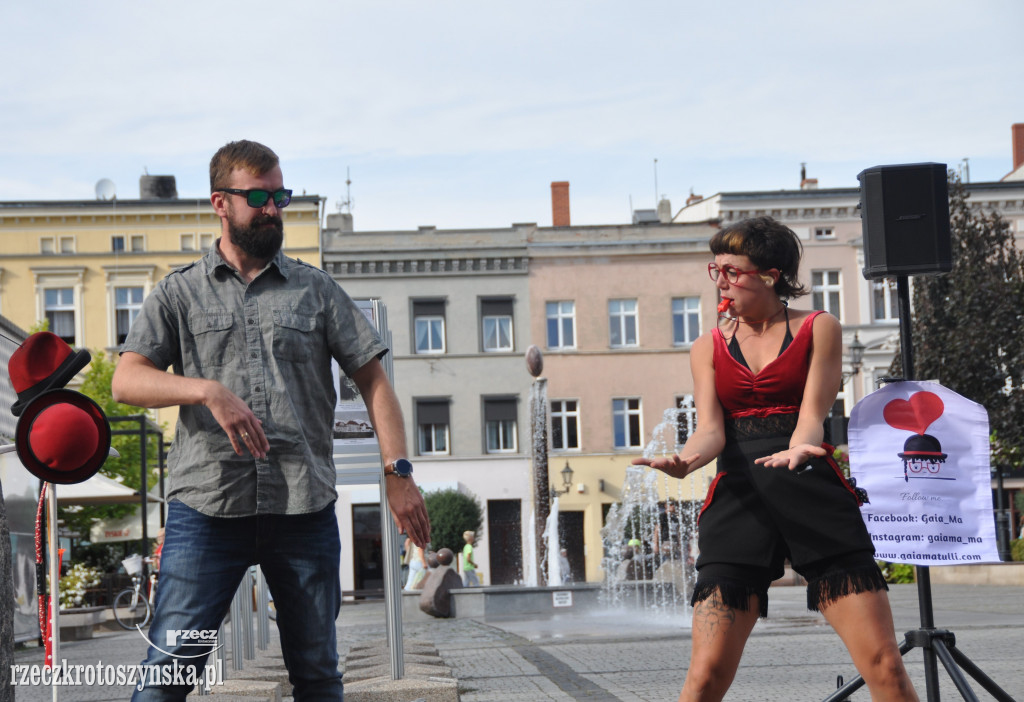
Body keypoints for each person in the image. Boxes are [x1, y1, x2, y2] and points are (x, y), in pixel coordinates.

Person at [111, 139, 430, 701]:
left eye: (279, 195)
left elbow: (375, 382)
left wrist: (398, 472)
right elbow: (127, 379)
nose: (272, 208)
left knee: (316, 673)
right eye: (257, 196)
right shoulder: (179, 292)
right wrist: (207, 390)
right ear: (220, 202)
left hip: (301, 506)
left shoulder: (317, 289)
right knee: (166, 675)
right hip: (207, 507)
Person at [632, 216, 917, 701]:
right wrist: (686, 461)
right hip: (738, 498)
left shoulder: (818, 327)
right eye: (715, 269)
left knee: (884, 665)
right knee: (704, 675)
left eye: (731, 270)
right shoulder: (707, 347)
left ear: (769, 274)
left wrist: (801, 446)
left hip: (809, 487)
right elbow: (711, 431)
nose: (720, 280)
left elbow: (812, 415)